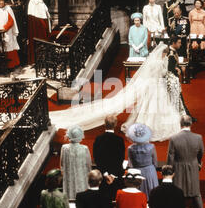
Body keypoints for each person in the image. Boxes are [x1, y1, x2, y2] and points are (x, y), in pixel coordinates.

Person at [49, 42, 183, 142]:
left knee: (148, 108)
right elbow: (162, 74)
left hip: (153, 86)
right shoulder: (158, 63)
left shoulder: (157, 61)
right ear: (163, 53)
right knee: (153, 108)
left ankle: (146, 125)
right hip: (155, 86)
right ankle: (151, 127)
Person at [167, 115, 205, 208]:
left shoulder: (174, 138)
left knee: (177, 195)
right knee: (196, 194)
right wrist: (198, 163)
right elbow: (201, 152)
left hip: (178, 168)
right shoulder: (198, 137)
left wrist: (169, 171)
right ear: (191, 124)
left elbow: (171, 157)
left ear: (180, 124)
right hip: (193, 167)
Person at [93, 115, 125, 201]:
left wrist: (106, 174)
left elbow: (97, 158)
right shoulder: (119, 140)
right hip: (116, 176)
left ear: (104, 124)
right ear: (115, 125)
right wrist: (113, 175)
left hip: (102, 177)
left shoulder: (98, 139)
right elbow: (120, 159)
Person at [127, 123, 159, 200]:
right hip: (150, 172)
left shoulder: (130, 148)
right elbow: (155, 162)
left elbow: (130, 164)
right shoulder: (151, 147)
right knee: (152, 194)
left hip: (137, 173)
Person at [60, 125, 92, 200]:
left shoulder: (64, 148)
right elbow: (89, 165)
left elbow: (62, 165)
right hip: (82, 179)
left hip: (69, 179)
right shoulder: (85, 148)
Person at [27, 0, 51, 64]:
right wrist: (43, 23)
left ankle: (44, 59)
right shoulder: (33, 1)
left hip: (42, 22)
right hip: (38, 25)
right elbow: (35, 15)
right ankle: (38, 60)